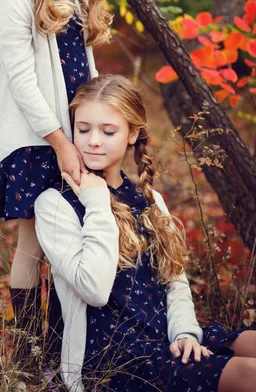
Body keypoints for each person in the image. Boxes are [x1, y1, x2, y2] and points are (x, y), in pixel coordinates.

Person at [34, 74, 255, 392]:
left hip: (167, 337)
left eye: (108, 131)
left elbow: (174, 281)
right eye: (83, 129)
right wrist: (96, 201)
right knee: (250, 375)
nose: (93, 140)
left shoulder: (149, 198)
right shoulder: (55, 205)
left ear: (132, 134)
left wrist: (184, 334)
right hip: (117, 361)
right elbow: (93, 289)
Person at [0, 0, 112, 353]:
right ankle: (25, 349)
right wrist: (60, 141)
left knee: (69, 242)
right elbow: (24, 85)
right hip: (37, 140)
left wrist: (95, 123)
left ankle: (64, 347)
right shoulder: (14, 1)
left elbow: (86, 66)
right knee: (33, 244)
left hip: (74, 136)